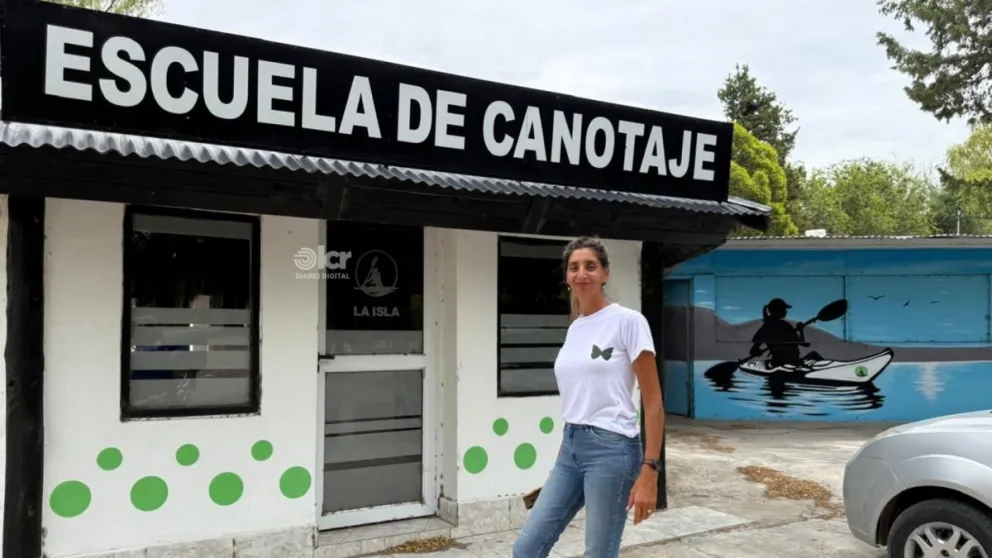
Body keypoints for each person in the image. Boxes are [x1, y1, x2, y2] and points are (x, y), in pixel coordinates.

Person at [512, 236, 664, 558]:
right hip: (571, 447)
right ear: (567, 277)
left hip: (613, 449)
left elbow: (652, 402)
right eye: (574, 268)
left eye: (590, 266)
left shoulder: (629, 322)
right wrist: (569, 451)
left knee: (598, 553)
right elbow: (579, 401)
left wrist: (650, 471)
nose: (582, 274)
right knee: (526, 549)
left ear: (605, 273)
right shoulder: (576, 327)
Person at [748, 298, 822, 370]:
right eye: (784, 309)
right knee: (814, 355)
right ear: (777, 310)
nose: (786, 311)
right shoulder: (785, 325)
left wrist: (758, 352)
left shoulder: (765, 327)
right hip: (792, 363)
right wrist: (801, 330)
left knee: (813, 355)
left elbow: (753, 351)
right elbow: (803, 344)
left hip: (783, 363)